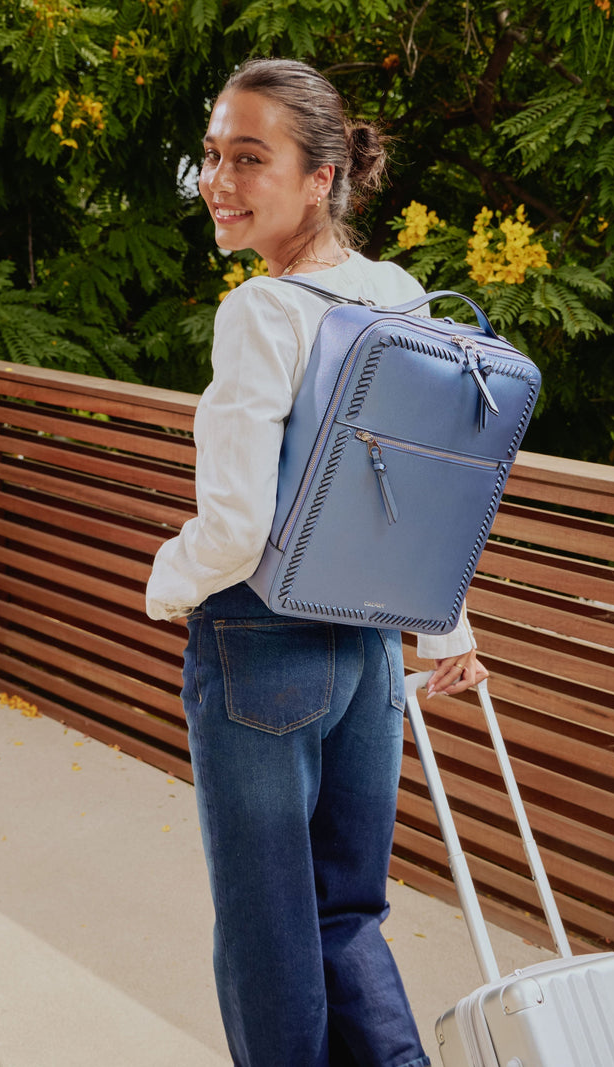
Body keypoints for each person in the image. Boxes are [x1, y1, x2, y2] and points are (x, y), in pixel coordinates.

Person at [146, 57, 488, 1067]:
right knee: (345, 913)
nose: (217, 179)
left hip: (259, 648)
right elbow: (423, 481)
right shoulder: (396, 293)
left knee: (268, 931)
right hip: (370, 651)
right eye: (211, 156)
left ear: (322, 173)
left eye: (249, 158)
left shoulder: (261, 312)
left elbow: (236, 524)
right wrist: (444, 628)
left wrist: (165, 582)